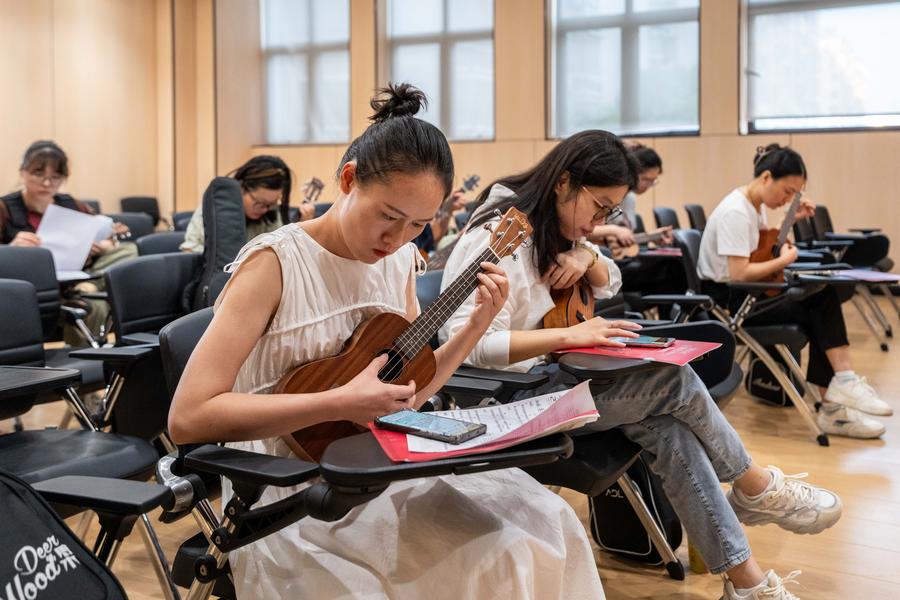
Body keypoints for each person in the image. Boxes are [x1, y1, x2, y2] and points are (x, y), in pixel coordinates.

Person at [167, 84, 605, 599]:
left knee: (542, 522)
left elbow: (407, 393)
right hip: (286, 491)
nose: (397, 239)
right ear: (348, 180)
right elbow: (188, 417)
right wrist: (339, 402)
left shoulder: (398, 261)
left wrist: (475, 327)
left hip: (371, 462)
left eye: (418, 225)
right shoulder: (275, 265)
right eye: (388, 216)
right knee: (466, 564)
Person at [440, 130, 842, 600]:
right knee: (673, 381)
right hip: (506, 402)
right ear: (563, 182)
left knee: (669, 428)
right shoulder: (497, 234)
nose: (600, 221)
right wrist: (570, 336)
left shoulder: (551, 227)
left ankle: (746, 583)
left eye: (609, 212)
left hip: (553, 380)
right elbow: (468, 348)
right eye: (599, 207)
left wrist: (586, 255)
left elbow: (610, 280)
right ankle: (754, 485)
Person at [698, 144, 891, 439]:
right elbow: (739, 273)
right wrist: (785, 260)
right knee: (821, 301)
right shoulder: (735, 212)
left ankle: (839, 393)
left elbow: (762, 251)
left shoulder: (753, 207)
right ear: (766, 177)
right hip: (733, 303)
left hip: (750, 293)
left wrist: (789, 221)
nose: (788, 198)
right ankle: (838, 398)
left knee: (820, 298)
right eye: (787, 191)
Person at [0, 140, 137, 344]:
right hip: (32, 285)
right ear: (23, 172)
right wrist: (10, 250)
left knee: (128, 250)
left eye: (55, 177)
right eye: (39, 174)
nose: (47, 183)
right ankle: (86, 291)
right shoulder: (5, 208)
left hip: (74, 278)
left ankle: (86, 291)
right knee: (92, 302)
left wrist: (103, 246)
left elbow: (105, 236)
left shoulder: (72, 205)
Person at [179, 155, 310, 253]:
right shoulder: (215, 207)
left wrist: (304, 228)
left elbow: (282, 250)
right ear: (241, 188)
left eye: (270, 204)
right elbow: (189, 249)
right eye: (259, 202)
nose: (264, 209)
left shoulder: (271, 212)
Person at [589, 143, 672, 253]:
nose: (648, 186)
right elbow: (583, 230)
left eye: (653, 181)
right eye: (646, 180)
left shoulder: (630, 198)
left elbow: (618, 241)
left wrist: (649, 237)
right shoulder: (608, 194)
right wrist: (614, 230)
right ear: (632, 173)